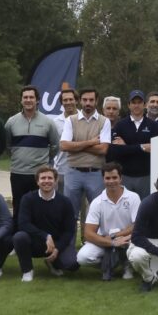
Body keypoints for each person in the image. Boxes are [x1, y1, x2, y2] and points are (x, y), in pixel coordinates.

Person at [5, 85, 60, 227]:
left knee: (40, 207)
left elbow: (55, 146)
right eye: (25, 97)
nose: (28, 100)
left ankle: (40, 239)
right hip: (18, 173)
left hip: (39, 174)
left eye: (31, 97)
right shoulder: (11, 122)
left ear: (37, 100)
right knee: (19, 206)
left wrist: (42, 161)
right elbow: (7, 144)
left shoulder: (48, 122)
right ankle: (17, 238)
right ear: (21, 100)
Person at [12, 166, 79, 282]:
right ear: (37, 181)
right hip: (35, 242)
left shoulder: (65, 202)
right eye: (43, 178)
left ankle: (52, 262)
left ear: (56, 181)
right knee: (19, 237)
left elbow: (69, 230)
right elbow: (23, 224)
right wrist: (46, 236)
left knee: (72, 264)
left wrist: (58, 248)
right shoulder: (27, 199)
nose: (46, 181)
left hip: (57, 243)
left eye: (50, 178)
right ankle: (27, 271)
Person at [60, 88, 112, 233]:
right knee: (70, 214)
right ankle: (68, 250)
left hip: (95, 173)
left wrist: (76, 145)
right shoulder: (71, 120)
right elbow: (64, 145)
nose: (88, 103)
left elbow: (103, 150)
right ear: (80, 101)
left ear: (96, 101)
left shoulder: (104, 121)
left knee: (98, 213)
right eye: (85, 100)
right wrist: (90, 142)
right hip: (73, 172)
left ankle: (97, 247)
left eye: (91, 100)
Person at [77, 162, 140, 281]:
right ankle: (110, 266)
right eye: (108, 178)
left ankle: (127, 265)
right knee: (82, 258)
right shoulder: (97, 202)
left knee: (139, 249)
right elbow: (88, 233)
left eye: (114, 177)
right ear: (103, 179)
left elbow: (137, 225)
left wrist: (116, 236)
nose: (111, 181)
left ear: (121, 178)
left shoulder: (133, 197)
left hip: (128, 239)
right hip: (105, 241)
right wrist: (111, 242)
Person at [108, 90, 158, 197]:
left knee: (143, 210)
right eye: (133, 102)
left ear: (144, 105)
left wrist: (126, 147)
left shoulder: (153, 126)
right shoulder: (120, 125)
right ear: (129, 105)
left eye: (139, 102)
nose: (136, 105)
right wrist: (141, 147)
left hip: (146, 176)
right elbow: (115, 150)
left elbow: (156, 149)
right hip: (125, 175)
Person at [51, 88, 80, 194]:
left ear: (76, 101)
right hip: (61, 170)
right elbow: (52, 146)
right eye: (65, 100)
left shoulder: (85, 119)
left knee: (80, 207)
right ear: (61, 103)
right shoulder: (55, 122)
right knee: (60, 205)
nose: (68, 102)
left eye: (71, 99)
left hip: (80, 169)